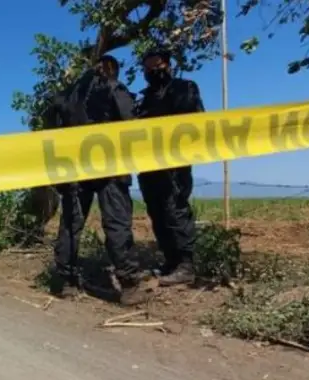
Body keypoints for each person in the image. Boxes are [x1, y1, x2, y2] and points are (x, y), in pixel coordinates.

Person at [47, 54, 149, 300]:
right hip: (109, 167)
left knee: (71, 224)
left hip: (74, 167)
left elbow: (51, 123)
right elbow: (130, 122)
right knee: (116, 223)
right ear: (111, 69)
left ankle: (65, 282)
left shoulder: (68, 94)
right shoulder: (113, 87)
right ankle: (129, 285)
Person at [136, 49, 205, 287]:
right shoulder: (143, 98)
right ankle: (170, 261)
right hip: (148, 165)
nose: (151, 71)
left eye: (155, 65)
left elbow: (194, 122)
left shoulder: (184, 88)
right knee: (157, 212)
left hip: (174, 164)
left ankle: (186, 265)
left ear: (166, 65)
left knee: (175, 210)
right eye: (146, 68)